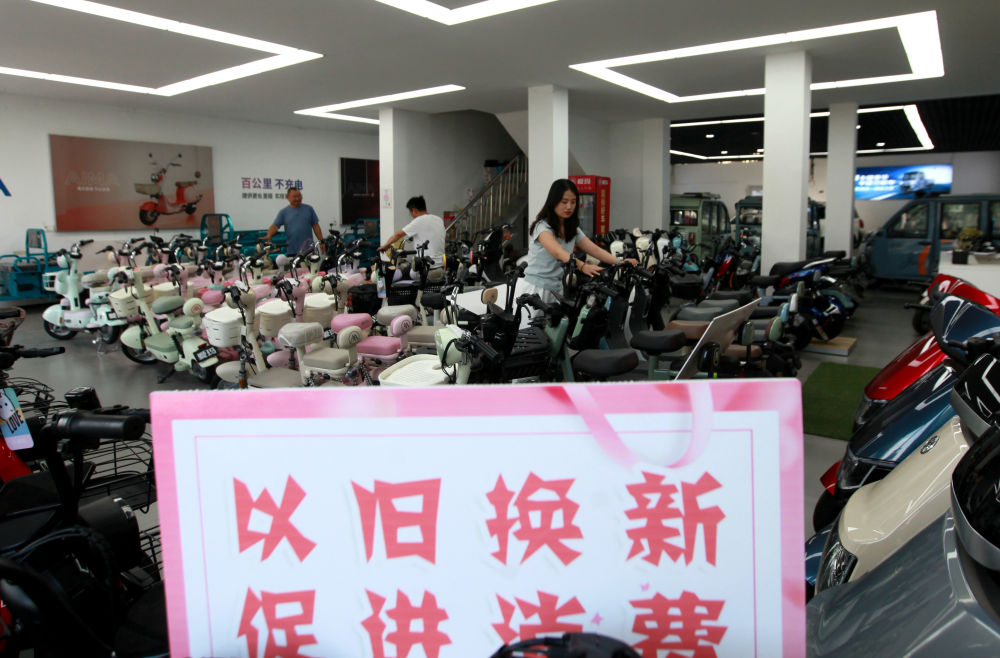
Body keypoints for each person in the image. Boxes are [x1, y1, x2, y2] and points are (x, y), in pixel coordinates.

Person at [519, 179, 636, 312]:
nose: (569, 207)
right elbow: (558, 253)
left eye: (573, 202)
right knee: (532, 325)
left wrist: (619, 262)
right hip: (535, 289)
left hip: (556, 288)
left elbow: (594, 249)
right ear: (553, 202)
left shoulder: (571, 227)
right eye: (564, 202)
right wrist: (582, 266)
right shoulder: (542, 227)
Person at [378, 196, 446, 268]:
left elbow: (398, 235)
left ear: (414, 210)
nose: (411, 215)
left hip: (425, 267)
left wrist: (385, 246)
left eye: (410, 212)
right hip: (441, 265)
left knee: (401, 270)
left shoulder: (419, 220)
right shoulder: (439, 220)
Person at [266, 188, 324, 254]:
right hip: (292, 251)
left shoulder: (309, 209)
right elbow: (275, 226)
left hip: (308, 250)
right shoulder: (284, 212)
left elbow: (316, 226)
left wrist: (321, 241)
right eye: (294, 196)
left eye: (299, 196)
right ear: (288, 197)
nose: (297, 198)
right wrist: (269, 235)